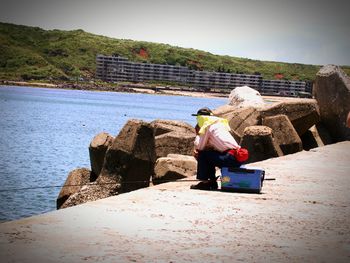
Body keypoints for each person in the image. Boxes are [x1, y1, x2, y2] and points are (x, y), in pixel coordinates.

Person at [190, 107, 245, 190]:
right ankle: (211, 182)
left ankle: (206, 182)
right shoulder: (219, 124)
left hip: (229, 158)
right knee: (208, 153)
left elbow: (199, 147)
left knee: (202, 154)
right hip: (236, 157)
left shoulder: (207, 126)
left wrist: (198, 134)